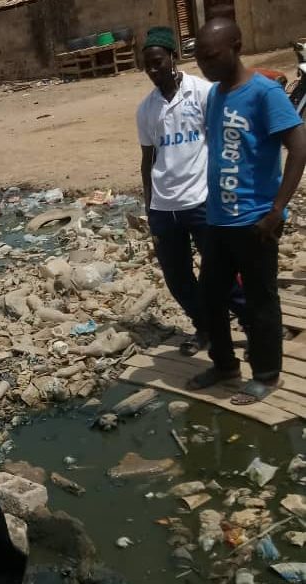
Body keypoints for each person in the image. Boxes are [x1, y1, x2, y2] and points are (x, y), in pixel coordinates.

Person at [188, 19, 306, 403]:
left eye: (211, 56)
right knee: (210, 297)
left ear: (236, 46)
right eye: (200, 59)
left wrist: (276, 210)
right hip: (219, 218)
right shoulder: (217, 95)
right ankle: (224, 365)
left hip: (256, 220)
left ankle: (268, 376)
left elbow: (299, 148)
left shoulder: (265, 92)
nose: (204, 65)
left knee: (260, 301)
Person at [137, 26, 217, 355]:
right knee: (177, 278)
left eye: (158, 63)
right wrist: (149, 206)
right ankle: (205, 327)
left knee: (221, 272)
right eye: (148, 66)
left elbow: (222, 144)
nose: (153, 71)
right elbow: (147, 160)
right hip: (163, 208)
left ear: (173, 57)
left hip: (201, 201)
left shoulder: (203, 93)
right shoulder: (146, 109)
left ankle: (256, 324)